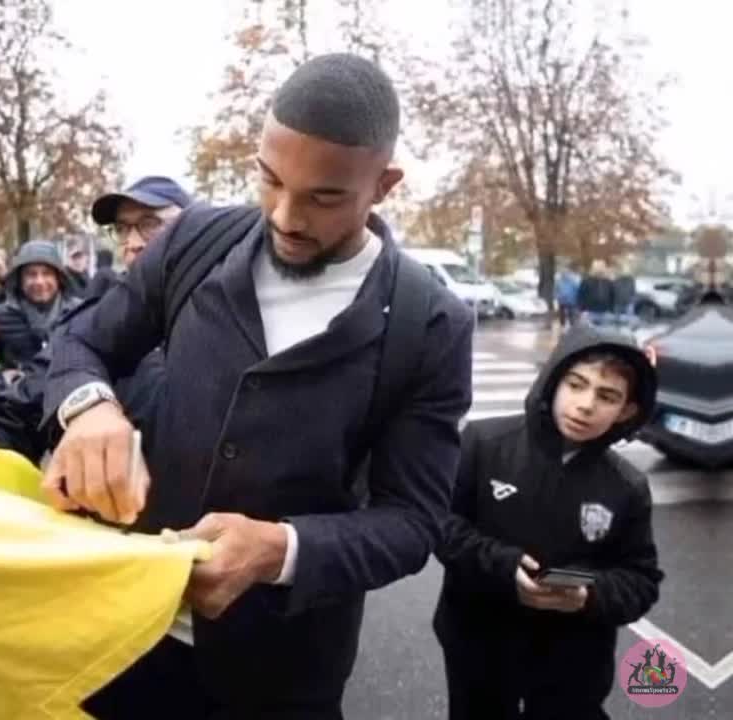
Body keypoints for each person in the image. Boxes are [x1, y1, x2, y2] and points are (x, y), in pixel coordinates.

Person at [42, 53, 473, 718]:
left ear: (383, 184)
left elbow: (413, 522)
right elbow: (84, 341)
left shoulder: (430, 322)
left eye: (325, 197)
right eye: (270, 180)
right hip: (125, 638)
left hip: (283, 674)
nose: (285, 216)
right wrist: (88, 406)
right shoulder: (193, 241)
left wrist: (282, 551)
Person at [434, 324, 663, 719]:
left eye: (607, 396)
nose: (586, 404)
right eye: (576, 384)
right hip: (479, 644)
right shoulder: (485, 443)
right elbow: (441, 527)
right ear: (554, 380)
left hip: (572, 663)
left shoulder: (627, 486)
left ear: (627, 410)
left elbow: (640, 581)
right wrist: (503, 566)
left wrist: (588, 596)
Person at [0, 240, 82, 371]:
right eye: (31, 274)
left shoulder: (80, 312)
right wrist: (3, 376)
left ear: (58, 278)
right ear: (19, 279)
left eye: (47, 273)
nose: (39, 281)